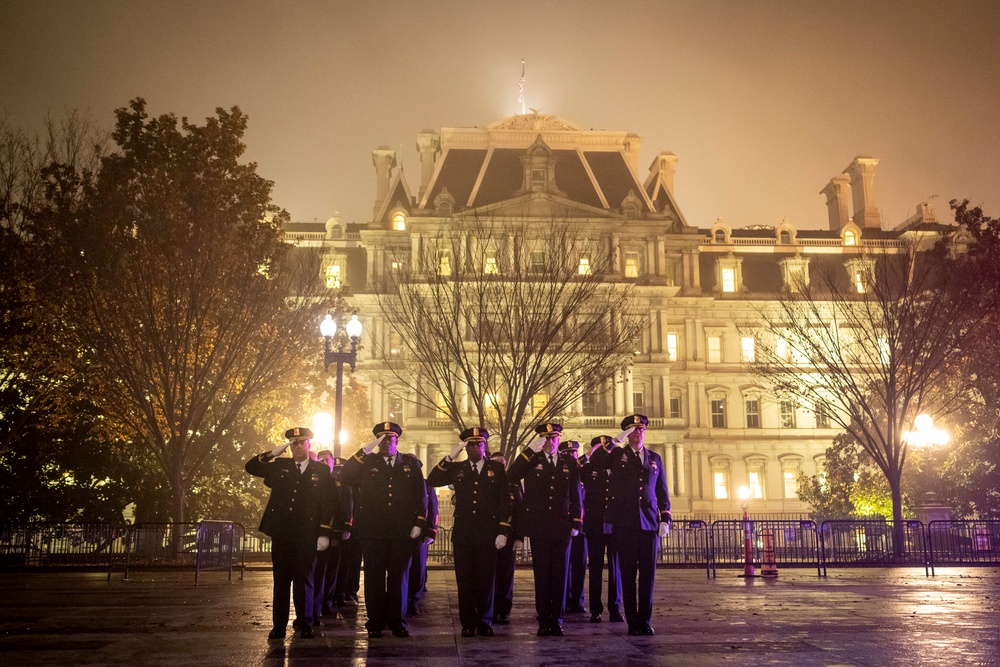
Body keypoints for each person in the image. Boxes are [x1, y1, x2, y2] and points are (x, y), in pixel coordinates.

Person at [245, 426, 335, 640]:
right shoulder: (280, 466)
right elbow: (251, 467)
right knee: (281, 581)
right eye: (293, 443)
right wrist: (274, 452)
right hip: (283, 534)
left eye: (301, 442)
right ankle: (278, 626)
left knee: (305, 581)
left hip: (307, 534)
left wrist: (324, 533)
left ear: (308, 444)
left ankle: (305, 623)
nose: (297, 446)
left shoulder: (321, 471)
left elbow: (329, 504)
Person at [341, 421, 428, 639]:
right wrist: (364, 450)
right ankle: (376, 622)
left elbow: (421, 496)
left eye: (391, 438)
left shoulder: (409, 464)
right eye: (382, 438)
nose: (387, 442)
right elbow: (345, 475)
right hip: (373, 532)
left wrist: (419, 523)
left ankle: (398, 621)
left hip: (401, 533)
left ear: (397, 441)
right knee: (374, 578)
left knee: (399, 578)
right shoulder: (367, 462)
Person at [589, 414, 670, 637]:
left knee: (648, 576)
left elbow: (662, 490)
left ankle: (645, 620)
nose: (639, 432)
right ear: (627, 433)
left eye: (642, 429)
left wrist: (665, 518)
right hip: (625, 524)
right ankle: (632, 622)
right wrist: (616, 440)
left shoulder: (654, 457)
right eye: (634, 429)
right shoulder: (617, 455)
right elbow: (595, 462)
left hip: (649, 524)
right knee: (627, 575)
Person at [427, 426, 512, 637]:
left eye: (481, 443)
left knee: (486, 580)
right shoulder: (458, 468)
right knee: (464, 581)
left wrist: (503, 530)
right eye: (473, 444)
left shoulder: (496, 469)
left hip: (487, 533)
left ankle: (484, 620)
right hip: (464, 533)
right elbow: (432, 480)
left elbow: (504, 502)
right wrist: (449, 457)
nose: (478, 447)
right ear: (466, 447)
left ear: (485, 445)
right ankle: (467, 622)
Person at [507, 422, 582, 637]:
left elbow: (576, 493)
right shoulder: (532, 461)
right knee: (542, 576)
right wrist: (530, 449)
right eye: (546, 438)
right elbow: (512, 475)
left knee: (560, 576)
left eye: (554, 437)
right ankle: (543, 620)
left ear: (559, 438)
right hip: (539, 527)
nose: (550, 441)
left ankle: (556, 620)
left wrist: (577, 521)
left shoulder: (569, 462)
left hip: (562, 527)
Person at [581, 435, 624, 623]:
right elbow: (574, 467)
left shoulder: (619, 469)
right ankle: (595, 610)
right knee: (596, 569)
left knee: (615, 569)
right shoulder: (588, 469)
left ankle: (615, 608)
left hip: (614, 524)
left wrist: (615, 444)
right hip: (595, 525)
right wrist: (588, 454)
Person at [312, 450, 354, 621]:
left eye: (325, 460)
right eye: (319, 460)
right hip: (315, 533)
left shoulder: (340, 482)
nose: (322, 462)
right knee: (317, 572)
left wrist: (344, 528)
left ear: (331, 462)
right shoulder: (314, 480)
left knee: (330, 571)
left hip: (334, 532)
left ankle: (327, 602)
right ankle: (315, 605)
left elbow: (346, 506)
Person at [490, 451, 521, 625]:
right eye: (495, 463)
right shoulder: (486, 484)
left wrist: (518, 537)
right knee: (489, 576)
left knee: (506, 576)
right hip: (489, 537)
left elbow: (518, 512)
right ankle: (490, 610)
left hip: (508, 538)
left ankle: (504, 610)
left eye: (502, 463)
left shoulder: (514, 487)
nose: (499, 466)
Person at [560, 440, 588, 614]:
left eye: (574, 453)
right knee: (563, 567)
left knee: (579, 566)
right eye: (569, 453)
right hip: (564, 524)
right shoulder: (561, 474)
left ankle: (577, 600)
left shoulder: (583, 475)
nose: (572, 456)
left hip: (581, 527)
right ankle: (565, 599)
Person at [407, 472, 439, 617]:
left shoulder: (427, 485)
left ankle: (414, 599)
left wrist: (431, 531)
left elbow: (433, 509)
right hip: (401, 532)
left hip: (420, 535)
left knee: (418, 568)